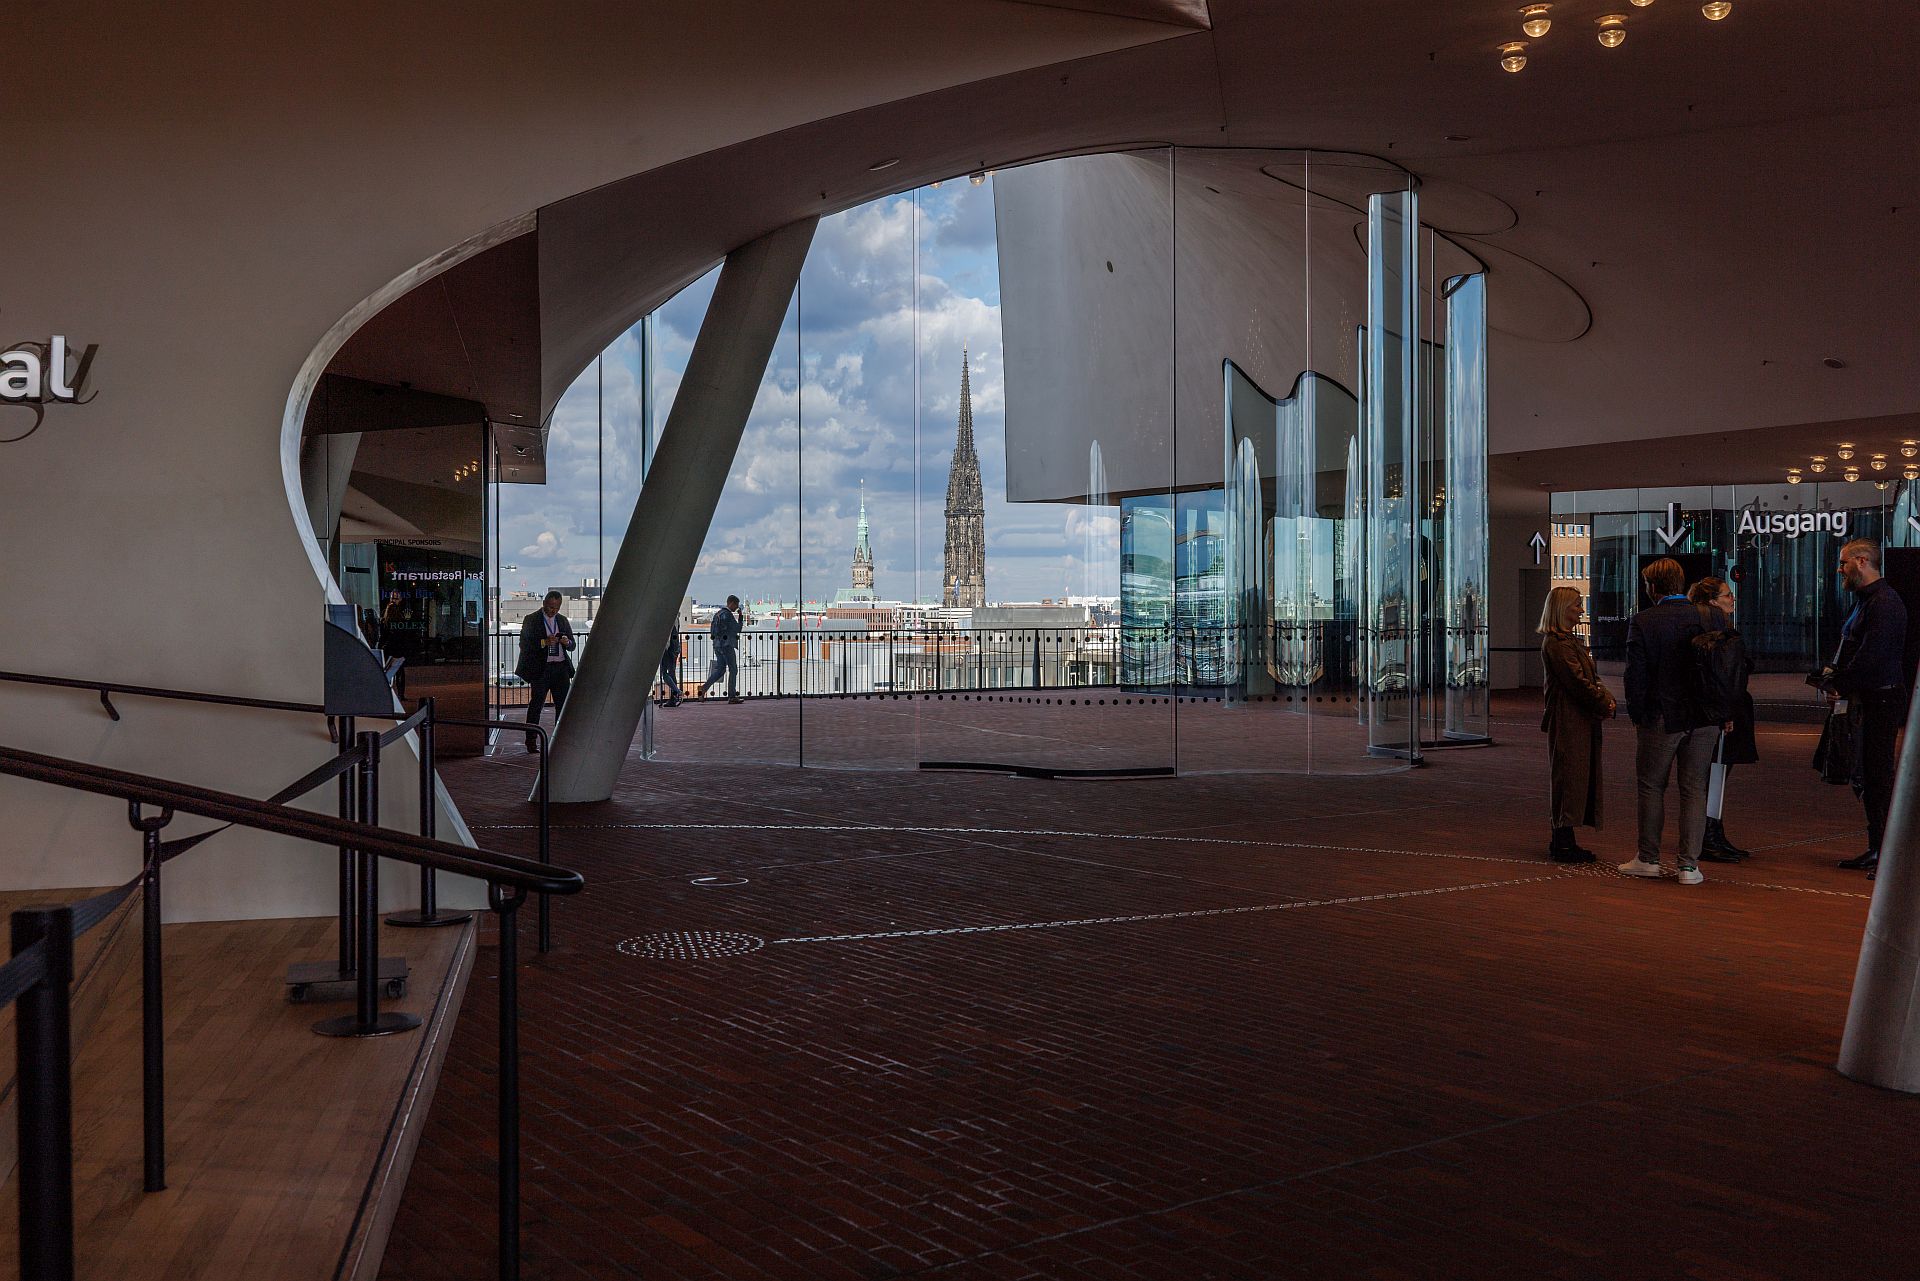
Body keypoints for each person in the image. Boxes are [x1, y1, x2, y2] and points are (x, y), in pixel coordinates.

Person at [1620, 557, 1717, 886]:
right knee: (1694, 789)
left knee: (1651, 786)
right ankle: (1689, 866)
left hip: (1660, 715)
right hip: (1703, 716)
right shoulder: (1710, 616)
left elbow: (1635, 675)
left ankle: (1648, 858)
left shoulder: (1644, 621)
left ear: (1652, 587)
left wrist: (1637, 714)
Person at [1827, 539, 1908, 875]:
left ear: (1861, 561)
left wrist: (1840, 683)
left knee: (1878, 776)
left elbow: (1871, 656)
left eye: (1844, 562)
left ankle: (1886, 853)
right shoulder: (1869, 601)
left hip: (1881, 698)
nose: (1840, 569)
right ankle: (1878, 849)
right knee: (1871, 776)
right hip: (1873, 696)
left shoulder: (1883, 603)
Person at [1539, 586, 1613, 863]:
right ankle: (1563, 841)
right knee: (1569, 777)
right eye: (1577, 605)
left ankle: (1564, 838)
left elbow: (1586, 679)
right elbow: (1578, 682)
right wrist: (1605, 703)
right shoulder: (1558, 644)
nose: (1581, 610)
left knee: (1573, 776)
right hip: (1569, 718)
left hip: (1576, 716)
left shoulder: (1566, 641)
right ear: (1563, 610)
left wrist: (1602, 698)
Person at [1690, 576, 1756, 861]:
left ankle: (1713, 833)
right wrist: (1726, 713)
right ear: (1712, 601)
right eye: (1727, 595)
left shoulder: (1712, 631)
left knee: (1715, 775)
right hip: (1722, 714)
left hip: (1723, 712)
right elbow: (1723, 678)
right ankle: (1709, 836)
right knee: (1714, 775)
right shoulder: (1717, 635)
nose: (1733, 599)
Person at [516, 591, 575, 749]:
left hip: (561, 668)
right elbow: (524, 644)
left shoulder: (562, 620)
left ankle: (559, 741)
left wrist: (567, 642)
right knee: (536, 705)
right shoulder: (531, 619)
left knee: (563, 706)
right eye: (550, 607)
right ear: (544, 604)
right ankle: (531, 741)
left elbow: (573, 645)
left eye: (557, 608)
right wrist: (544, 642)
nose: (553, 611)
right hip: (541, 669)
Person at [704, 596, 743, 703]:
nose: (736, 607)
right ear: (731, 603)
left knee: (721, 670)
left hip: (717, 645)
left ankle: (703, 688)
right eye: (736, 605)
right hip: (727, 645)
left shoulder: (718, 614)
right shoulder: (728, 615)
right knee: (733, 669)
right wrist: (740, 617)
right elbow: (738, 629)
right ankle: (732, 696)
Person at [657, 619, 684, 706]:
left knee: (664, 674)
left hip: (668, 650)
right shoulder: (676, 619)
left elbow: (668, 638)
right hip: (674, 649)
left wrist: (663, 648)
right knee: (671, 673)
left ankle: (677, 692)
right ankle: (674, 697)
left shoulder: (670, 619)